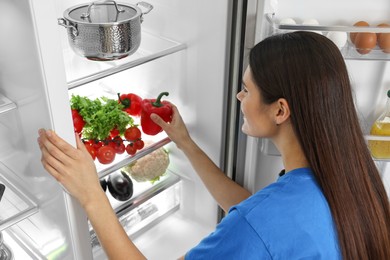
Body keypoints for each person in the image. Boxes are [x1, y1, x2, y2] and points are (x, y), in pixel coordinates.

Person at [38, 31, 390, 260]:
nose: (239, 96)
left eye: (247, 90)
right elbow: (257, 214)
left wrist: (91, 195)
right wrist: (186, 145)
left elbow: (257, 223)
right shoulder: (351, 179)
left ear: (280, 110)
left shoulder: (260, 223)